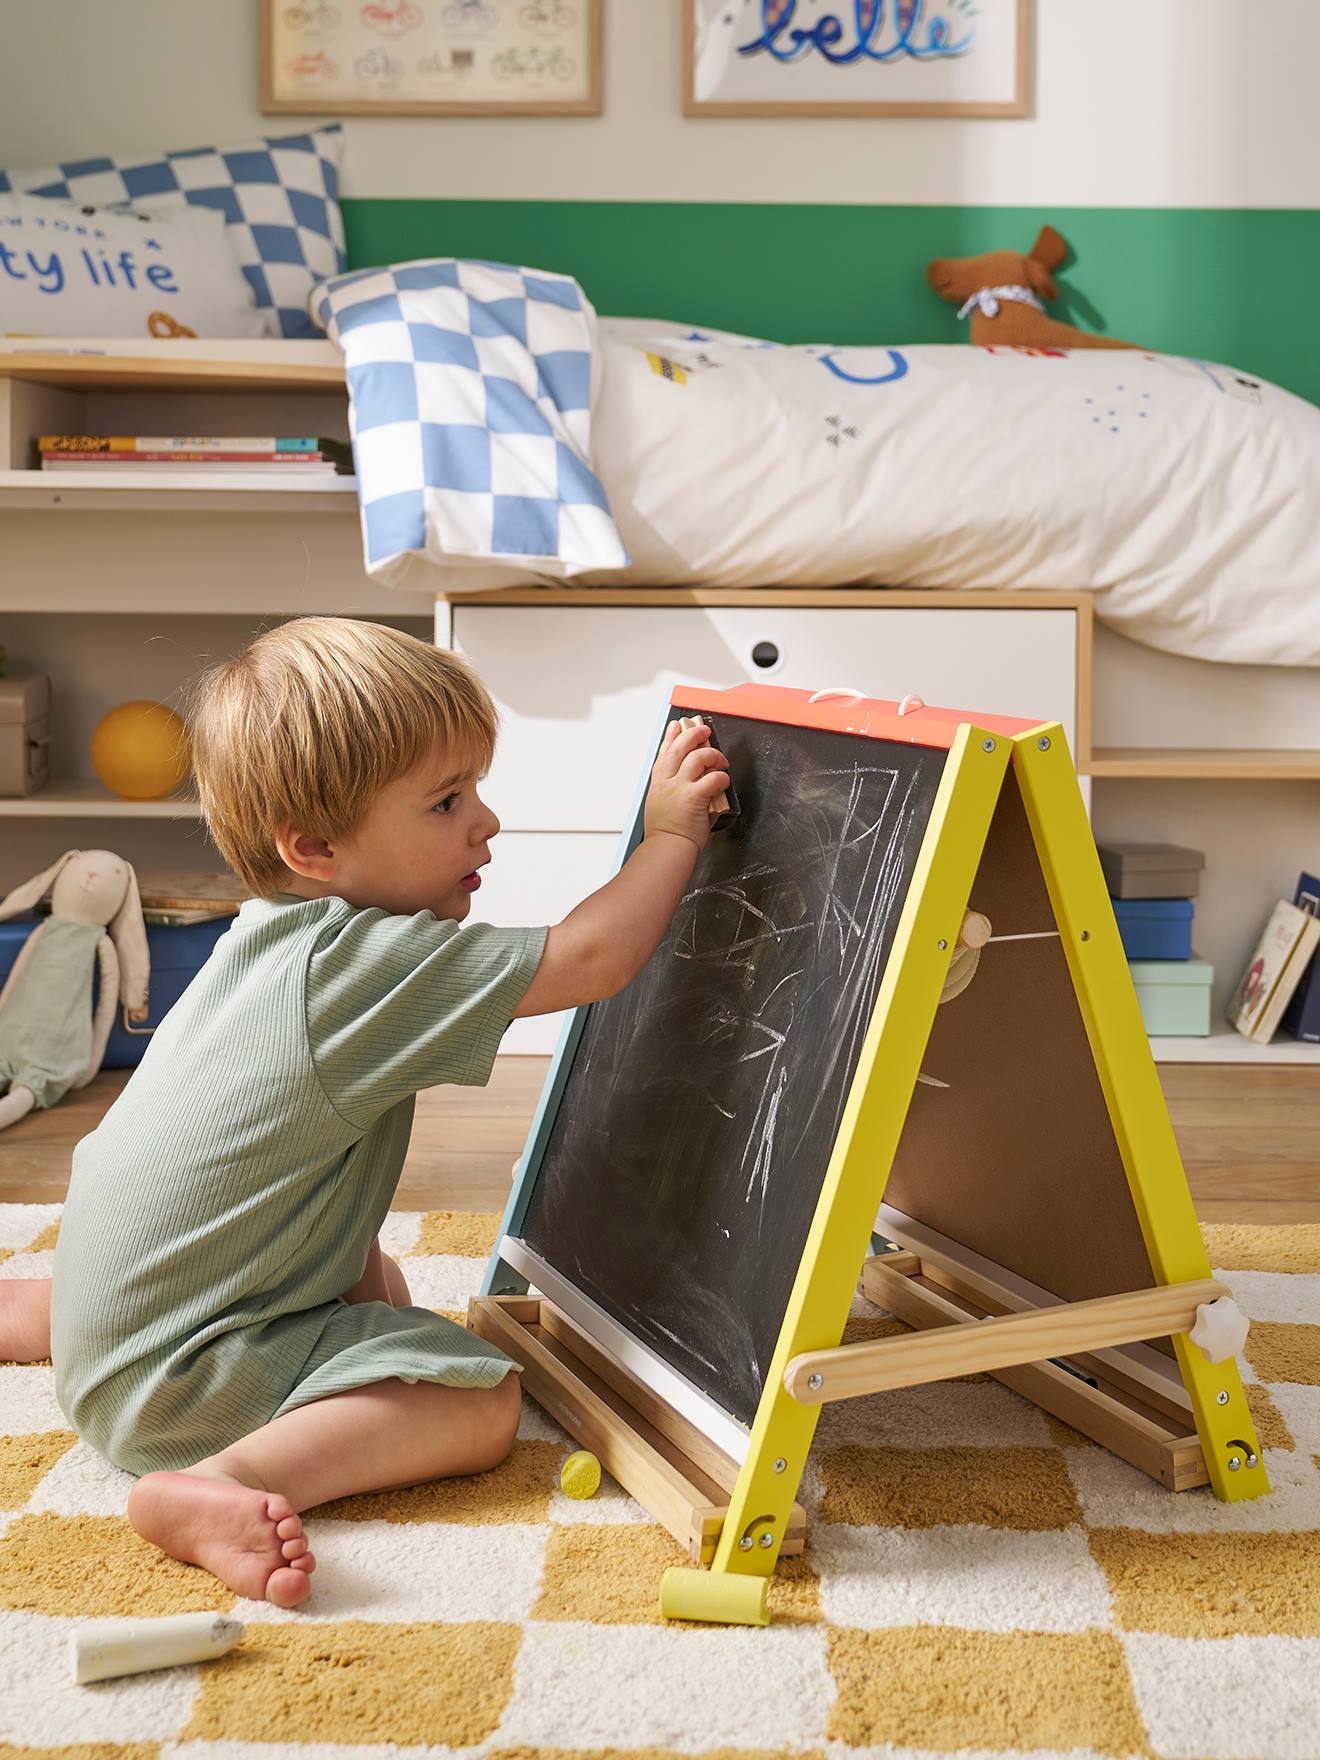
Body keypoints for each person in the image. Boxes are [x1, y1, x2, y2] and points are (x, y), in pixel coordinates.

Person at [0, 617, 728, 1607]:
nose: (486, 822)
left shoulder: (270, 941)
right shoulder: (369, 964)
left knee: (376, 1289)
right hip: (172, 1394)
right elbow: (589, 958)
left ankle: (57, 1317)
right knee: (478, 1397)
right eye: (446, 801)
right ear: (315, 846)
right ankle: (224, 1479)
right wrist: (671, 837)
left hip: (116, 1328)